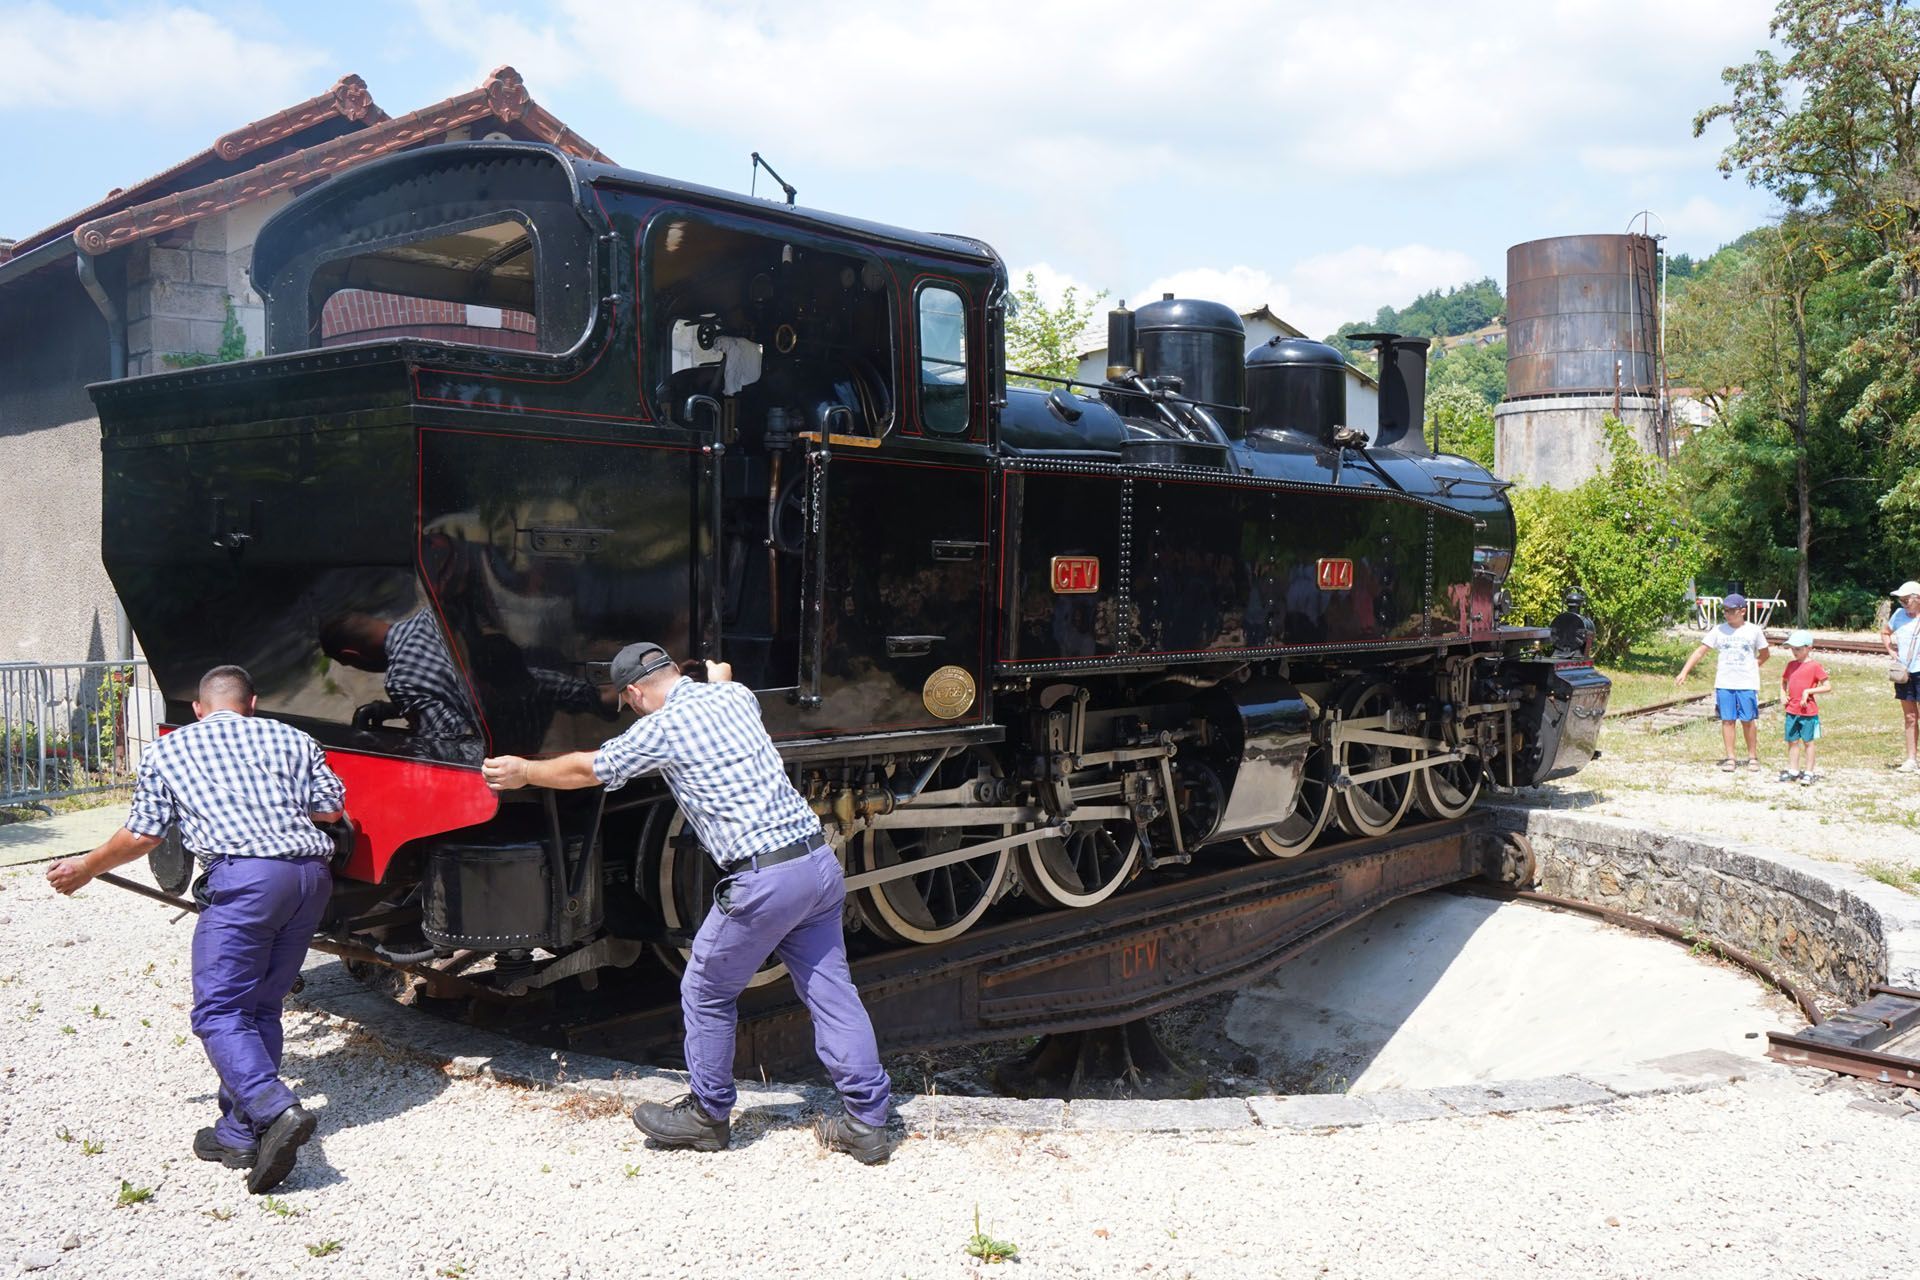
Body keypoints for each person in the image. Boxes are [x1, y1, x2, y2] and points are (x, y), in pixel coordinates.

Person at [479, 643, 894, 1163]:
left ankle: (707, 1115)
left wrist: (525, 771)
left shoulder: (660, 728)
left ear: (634, 693)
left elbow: (590, 768)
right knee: (832, 990)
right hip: (818, 865)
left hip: (763, 881)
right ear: (675, 672)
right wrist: (718, 674)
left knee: (706, 990)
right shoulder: (737, 698)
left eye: (628, 702)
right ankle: (868, 1121)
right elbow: (723, 681)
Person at [45, 665, 345, 1194]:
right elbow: (330, 810)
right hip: (308, 880)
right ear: (252, 703)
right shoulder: (295, 738)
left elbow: (143, 834)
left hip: (245, 879)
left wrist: (87, 867)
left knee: (219, 1010)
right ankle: (237, 1132)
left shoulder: (170, 749)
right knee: (259, 1007)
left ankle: (275, 1108)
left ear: (199, 709)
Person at [1675, 592, 1771, 771]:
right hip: (1725, 683)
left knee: (1748, 720)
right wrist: (1684, 671)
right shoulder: (1718, 630)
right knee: (1727, 720)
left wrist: (1752, 666)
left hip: (1746, 684)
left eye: (1730, 610)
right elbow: (1700, 652)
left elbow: (1765, 654)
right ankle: (1730, 758)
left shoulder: (1754, 631)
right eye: (1724, 610)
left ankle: (1752, 757)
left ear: (1742, 611)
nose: (1726, 614)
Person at [1778, 630, 1830, 786]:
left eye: (1798, 649)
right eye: (1792, 649)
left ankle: (1809, 772)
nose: (1795, 652)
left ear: (1809, 648)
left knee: (1808, 741)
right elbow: (1784, 681)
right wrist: (1782, 693)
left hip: (1807, 711)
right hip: (1791, 710)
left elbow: (1827, 686)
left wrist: (1808, 691)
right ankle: (1793, 770)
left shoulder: (1815, 666)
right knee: (1792, 741)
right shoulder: (1791, 665)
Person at [1888, 581, 1920, 772]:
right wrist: (1891, 651)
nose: (1903, 604)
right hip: (1905, 672)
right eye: (1901, 600)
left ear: (1918, 598)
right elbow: (1885, 632)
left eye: (1906, 600)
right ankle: (1911, 759)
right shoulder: (1899, 615)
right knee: (1909, 716)